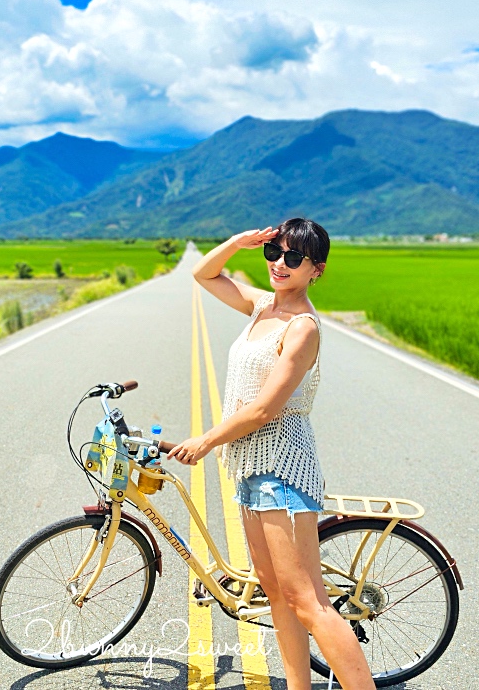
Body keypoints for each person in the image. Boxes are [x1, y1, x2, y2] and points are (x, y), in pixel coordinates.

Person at [166, 218, 374, 690]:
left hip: (282, 468)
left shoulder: (302, 328)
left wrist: (206, 439)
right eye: (273, 253)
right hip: (250, 469)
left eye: (293, 258)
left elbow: (263, 410)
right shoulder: (262, 307)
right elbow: (203, 274)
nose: (280, 264)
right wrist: (240, 242)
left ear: (315, 270)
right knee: (277, 594)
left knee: (308, 601)